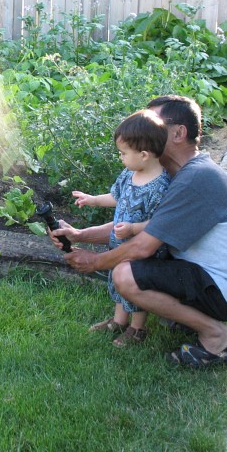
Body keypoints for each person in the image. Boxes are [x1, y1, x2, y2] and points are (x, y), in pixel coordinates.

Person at [51, 95, 227, 368]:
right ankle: (185, 320)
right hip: (212, 278)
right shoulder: (175, 175)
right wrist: (80, 235)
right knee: (130, 266)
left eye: (153, 123)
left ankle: (215, 333)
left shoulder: (196, 179)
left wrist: (95, 262)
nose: (144, 130)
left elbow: (143, 246)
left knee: (125, 274)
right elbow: (128, 228)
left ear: (178, 133)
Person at [72, 109, 170, 348]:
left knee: (133, 286)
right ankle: (118, 321)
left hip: (142, 252)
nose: (121, 158)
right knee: (116, 281)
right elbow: (116, 196)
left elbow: (160, 223)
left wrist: (134, 228)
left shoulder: (161, 186)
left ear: (144, 155)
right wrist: (92, 199)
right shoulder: (130, 173)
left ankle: (137, 328)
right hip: (119, 244)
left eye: (124, 153)